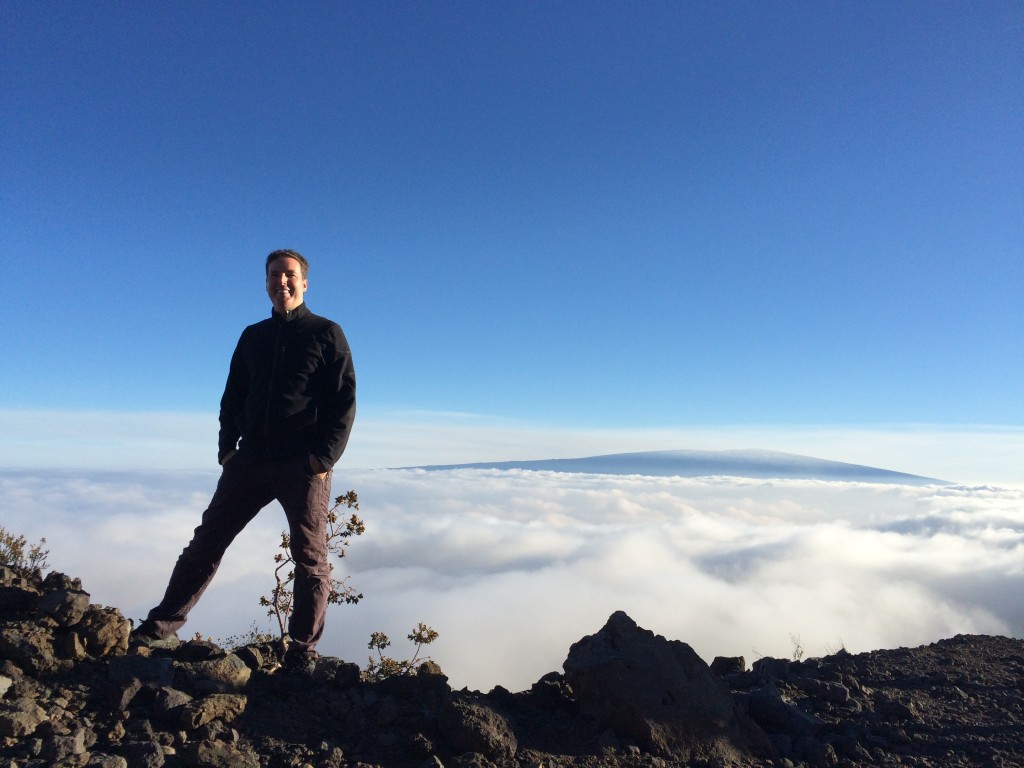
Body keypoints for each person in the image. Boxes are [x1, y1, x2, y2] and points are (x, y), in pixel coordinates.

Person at [132, 249, 356, 673]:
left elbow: (343, 402)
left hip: (302, 465)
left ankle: (301, 652)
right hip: (249, 459)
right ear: (267, 283)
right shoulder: (253, 336)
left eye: (290, 275)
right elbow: (232, 395)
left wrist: (322, 458)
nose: (282, 282)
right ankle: (160, 626)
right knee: (206, 542)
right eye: (274, 275)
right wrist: (226, 449)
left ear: (305, 283)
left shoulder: (327, 333)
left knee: (310, 560)